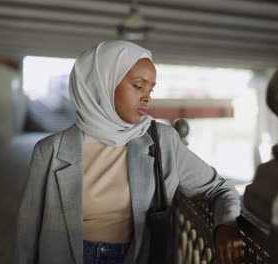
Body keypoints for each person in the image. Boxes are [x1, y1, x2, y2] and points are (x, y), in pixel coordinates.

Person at [13, 40, 243, 264]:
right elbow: (28, 235)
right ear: (101, 84)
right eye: (138, 85)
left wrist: (225, 225)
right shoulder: (50, 151)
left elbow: (219, 188)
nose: (147, 96)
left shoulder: (162, 141)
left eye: (151, 88)